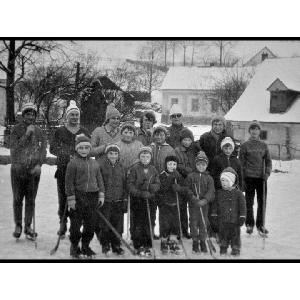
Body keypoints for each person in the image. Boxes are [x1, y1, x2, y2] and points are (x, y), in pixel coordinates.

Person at [50, 100, 90, 238]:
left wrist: (79, 153)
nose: (74, 117)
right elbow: (53, 148)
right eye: (71, 114)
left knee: (78, 200)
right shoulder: (60, 131)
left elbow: (88, 149)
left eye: (76, 115)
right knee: (63, 199)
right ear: (67, 116)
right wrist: (67, 154)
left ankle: (75, 226)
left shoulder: (84, 131)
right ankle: (62, 224)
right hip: (63, 170)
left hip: (80, 172)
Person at [10, 102, 47, 239]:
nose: (30, 116)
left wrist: (39, 164)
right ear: (23, 115)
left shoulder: (40, 131)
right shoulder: (16, 130)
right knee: (18, 198)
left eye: (33, 114)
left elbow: (43, 150)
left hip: (33, 171)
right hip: (18, 170)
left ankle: (28, 226)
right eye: (28, 114)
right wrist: (26, 134)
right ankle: (18, 225)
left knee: (31, 200)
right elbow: (14, 150)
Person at [65, 134, 105, 258]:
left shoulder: (95, 163)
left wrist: (101, 194)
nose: (84, 151)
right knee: (76, 225)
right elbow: (68, 183)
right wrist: (71, 198)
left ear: (89, 149)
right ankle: (74, 246)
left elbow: (100, 180)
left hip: (92, 197)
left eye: (86, 148)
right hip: (78, 196)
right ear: (77, 149)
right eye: (81, 148)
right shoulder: (73, 163)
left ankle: (86, 245)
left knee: (90, 224)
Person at [239, 121, 272, 235]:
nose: (254, 131)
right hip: (249, 178)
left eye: (256, 129)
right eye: (252, 129)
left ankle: (260, 225)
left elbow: (268, 161)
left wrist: (267, 173)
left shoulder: (264, 145)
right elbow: (241, 163)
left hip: (261, 178)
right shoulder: (245, 146)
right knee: (249, 202)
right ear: (249, 131)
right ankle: (249, 224)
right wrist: (242, 178)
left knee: (262, 202)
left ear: (259, 131)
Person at [127, 146, 160, 256]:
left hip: (150, 199)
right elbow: (130, 184)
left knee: (149, 220)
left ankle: (148, 241)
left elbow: (157, 183)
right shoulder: (134, 168)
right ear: (139, 157)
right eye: (143, 156)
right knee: (138, 221)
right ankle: (138, 242)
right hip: (138, 199)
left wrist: (151, 188)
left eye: (147, 156)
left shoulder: (153, 169)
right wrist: (139, 192)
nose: (145, 158)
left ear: (150, 157)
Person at [97, 144, 127, 255]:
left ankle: (116, 244)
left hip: (118, 200)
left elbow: (125, 184)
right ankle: (105, 244)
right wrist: (100, 196)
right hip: (106, 200)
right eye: (110, 153)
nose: (113, 156)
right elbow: (99, 183)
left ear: (118, 155)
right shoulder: (101, 166)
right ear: (106, 154)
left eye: (115, 153)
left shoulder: (121, 167)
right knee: (105, 224)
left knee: (118, 224)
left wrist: (124, 198)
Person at [211, 167, 246, 256]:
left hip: (235, 220)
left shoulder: (238, 193)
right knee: (223, 235)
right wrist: (214, 215)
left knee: (235, 235)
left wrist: (242, 216)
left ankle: (235, 248)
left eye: (226, 181)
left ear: (232, 181)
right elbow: (215, 205)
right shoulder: (219, 193)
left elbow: (242, 206)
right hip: (222, 220)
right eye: (222, 180)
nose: (224, 183)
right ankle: (223, 247)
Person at [186, 151, 215, 253]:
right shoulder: (191, 176)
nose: (201, 166)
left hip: (204, 205)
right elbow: (187, 189)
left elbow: (211, 191)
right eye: (198, 164)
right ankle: (195, 241)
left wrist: (205, 200)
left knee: (203, 223)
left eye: (203, 165)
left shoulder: (209, 178)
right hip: (193, 205)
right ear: (195, 165)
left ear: (206, 165)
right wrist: (193, 198)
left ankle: (202, 241)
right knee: (193, 222)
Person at [158, 155, 187, 254]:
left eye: (174, 164)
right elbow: (162, 188)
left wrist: (179, 188)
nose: (172, 166)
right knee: (165, 223)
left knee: (175, 223)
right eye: (170, 164)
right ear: (166, 165)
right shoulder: (162, 175)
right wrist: (171, 177)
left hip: (176, 203)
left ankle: (174, 240)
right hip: (165, 204)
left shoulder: (178, 175)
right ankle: (164, 240)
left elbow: (184, 188)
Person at [151, 126, 176, 238]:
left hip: (165, 182)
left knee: (164, 210)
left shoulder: (169, 149)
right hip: (152, 182)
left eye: (161, 135)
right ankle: (150, 231)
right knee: (152, 209)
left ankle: (165, 233)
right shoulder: (150, 147)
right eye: (157, 134)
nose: (159, 137)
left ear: (165, 136)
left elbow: (173, 165)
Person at [174, 127, 198, 238]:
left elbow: (199, 162)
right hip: (182, 181)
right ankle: (182, 229)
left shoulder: (195, 150)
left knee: (193, 206)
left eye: (189, 140)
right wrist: (184, 169)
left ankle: (192, 229)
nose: (187, 142)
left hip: (192, 182)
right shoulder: (177, 150)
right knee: (182, 207)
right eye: (184, 140)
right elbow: (175, 164)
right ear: (181, 140)